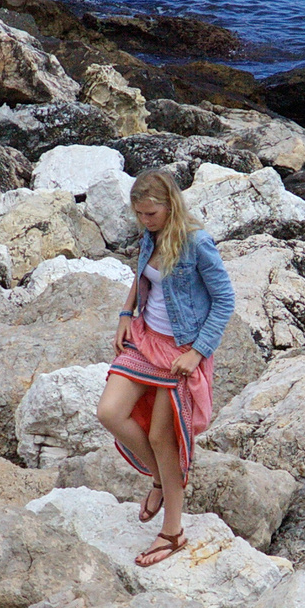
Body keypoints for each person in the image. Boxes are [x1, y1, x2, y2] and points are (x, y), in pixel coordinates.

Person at [95, 169, 234, 567]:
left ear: (170, 206)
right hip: (145, 339)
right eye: (139, 214)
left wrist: (198, 353)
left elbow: (224, 301)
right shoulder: (150, 236)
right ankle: (159, 479)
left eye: (151, 214)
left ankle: (172, 531)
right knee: (109, 411)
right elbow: (144, 277)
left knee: (162, 436)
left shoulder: (197, 243)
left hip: (182, 351)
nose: (145, 221)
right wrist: (126, 312)